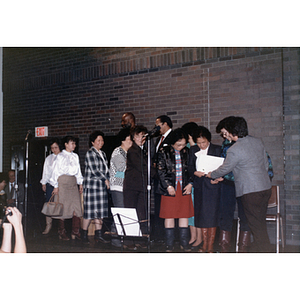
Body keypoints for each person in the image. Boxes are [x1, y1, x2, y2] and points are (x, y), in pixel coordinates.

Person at [208, 117, 272, 253]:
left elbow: (225, 169)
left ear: (231, 131)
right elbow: (266, 165)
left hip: (250, 192)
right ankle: (265, 251)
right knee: (260, 224)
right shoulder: (257, 141)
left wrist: (211, 174)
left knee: (256, 227)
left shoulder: (234, 149)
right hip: (265, 188)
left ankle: (266, 253)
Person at [215, 117, 251, 252]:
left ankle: (243, 248)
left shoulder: (248, 143)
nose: (224, 136)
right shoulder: (226, 144)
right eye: (223, 134)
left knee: (245, 215)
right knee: (225, 214)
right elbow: (225, 164)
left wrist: (220, 175)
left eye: (225, 133)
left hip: (244, 185)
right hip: (227, 184)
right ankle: (224, 247)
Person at [157, 128, 194, 252]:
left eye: (184, 144)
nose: (181, 147)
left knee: (184, 215)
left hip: (183, 187)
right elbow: (160, 170)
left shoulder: (187, 152)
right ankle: (169, 244)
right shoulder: (164, 151)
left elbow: (192, 169)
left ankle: (184, 243)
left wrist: (190, 184)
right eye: (179, 144)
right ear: (172, 142)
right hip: (170, 188)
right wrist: (168, 185)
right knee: (169, 215)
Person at [188, 126, 222, 253]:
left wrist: (218, 176)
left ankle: (210, 245)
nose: (201, 145)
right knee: (201, 216)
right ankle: (204, 244)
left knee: (211, 216)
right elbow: (190, 167)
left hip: (213, 186)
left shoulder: (217, 149)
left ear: (209, 140)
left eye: (204, 142)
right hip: (199, 187)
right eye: (199, 142)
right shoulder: (193, 150)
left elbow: (223, 167)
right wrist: (194, 173)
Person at [123, 125, 152, 249]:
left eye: (142, 135)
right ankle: (129, 241)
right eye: (138, 136)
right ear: (133, 137)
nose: (140, 138)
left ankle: (140, 240)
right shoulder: (132, 150)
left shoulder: (145, 149)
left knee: (142, 213)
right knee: (130, 214)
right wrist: (156, 171)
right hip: (132, 187)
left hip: (142, 187)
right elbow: (143, 167)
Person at [50, 136, 83, 241]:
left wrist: (80, 183)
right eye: (72, 143)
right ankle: (62, 232)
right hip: (63, 183)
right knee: (63, 208)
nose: (74, 145)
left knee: (76, 207)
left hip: (73, 182)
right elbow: (55, 172)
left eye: (74, 143)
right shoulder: (60, 156)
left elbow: (78, 170)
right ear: (66, 144)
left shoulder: (75, 156)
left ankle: (75, 231)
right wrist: (55, 186)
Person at [81, 130, 110, 244]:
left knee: (100, 212)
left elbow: (105, 170)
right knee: (89, 212)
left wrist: (107, 180)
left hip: (101, 187)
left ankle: (99, 235)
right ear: (92, 142)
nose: (101, 142)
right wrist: (105, 179)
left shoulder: (102, 154)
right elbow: (95, 170)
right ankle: (83, 235)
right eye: (98, 140)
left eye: (102, 140)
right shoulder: (90, 153)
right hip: (92, 187)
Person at [109, 127, 133, 248]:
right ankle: (116, 240)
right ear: (123, 140)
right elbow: (121, 168)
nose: (131, 142)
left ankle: (122, 239)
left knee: (124, 213)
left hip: (126, 187)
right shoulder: (118, 152)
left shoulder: (128, 152)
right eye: (129, 139)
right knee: (120, 213)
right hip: (118, 187)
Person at [181, 122, 203, 249]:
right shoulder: (187, 146)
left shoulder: (196, 147)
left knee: (196, 212)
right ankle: (193, 236)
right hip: (188, 183)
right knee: (190, 213)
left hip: (196, 184)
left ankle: (199, 238)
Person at [152, 115, 173, 242]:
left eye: (158, 125)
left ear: (165, 124)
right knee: (158, 206)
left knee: (166, 207)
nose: (156, 128)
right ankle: (159, 235)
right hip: (157, 178)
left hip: (167, 179)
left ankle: (168, 236)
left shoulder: (172, 137)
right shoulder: (158, 139)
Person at [40, 138, 61, 235]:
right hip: (50, 185)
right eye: (52, 148)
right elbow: (46, 172)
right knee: (48, 204)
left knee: (60, 205)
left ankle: (61, 228)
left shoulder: (63, 157)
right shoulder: (49, 158)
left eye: (56, 147)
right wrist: (44, 183)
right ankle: (48, 225)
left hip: (61, 185)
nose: (54, 150)